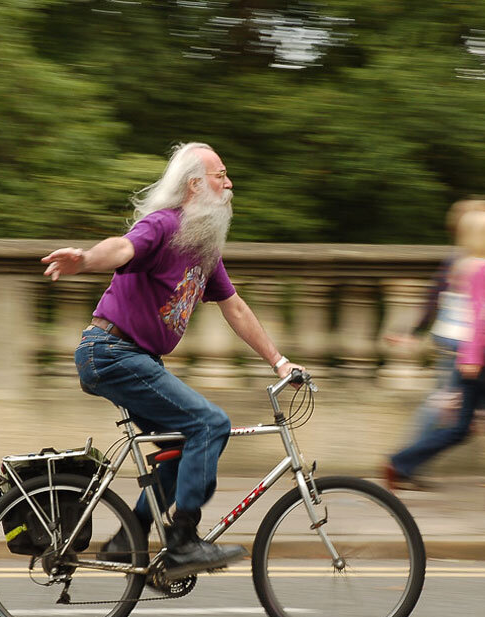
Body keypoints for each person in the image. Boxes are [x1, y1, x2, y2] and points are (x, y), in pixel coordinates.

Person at [41, 141, 304, 577]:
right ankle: (183, 540)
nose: (229, 184)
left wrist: (279, 362)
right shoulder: (162, 225)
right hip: (111, 351)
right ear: (195, 185)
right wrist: (86, 259)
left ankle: (130, 538)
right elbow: (122, 249)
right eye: (221, 175)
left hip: (135, 357)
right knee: (211, 423)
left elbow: (235, 308)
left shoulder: (202, 248)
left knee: (182, 447)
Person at [386, 210, 485, 513]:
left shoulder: (469, 266)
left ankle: (401, 461)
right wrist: (472, 357)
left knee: (460, 427)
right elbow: (482, 317)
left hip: (477, 355)